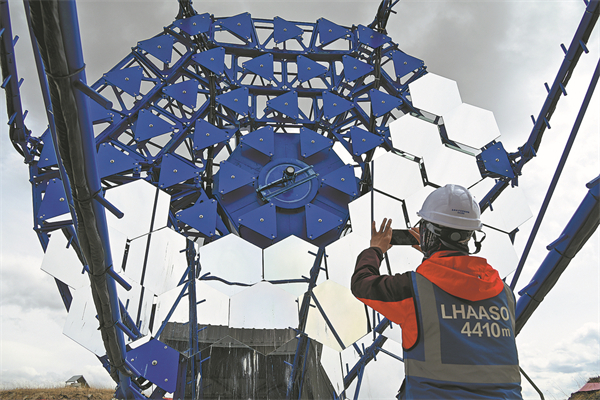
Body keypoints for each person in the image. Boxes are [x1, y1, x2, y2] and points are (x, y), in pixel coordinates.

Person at [351, 184, 523, 399]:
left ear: (427, 232)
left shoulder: (412, 290)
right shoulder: (504, 294)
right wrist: (431, 254)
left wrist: (376, 249)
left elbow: (362, 283)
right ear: (470, 235)